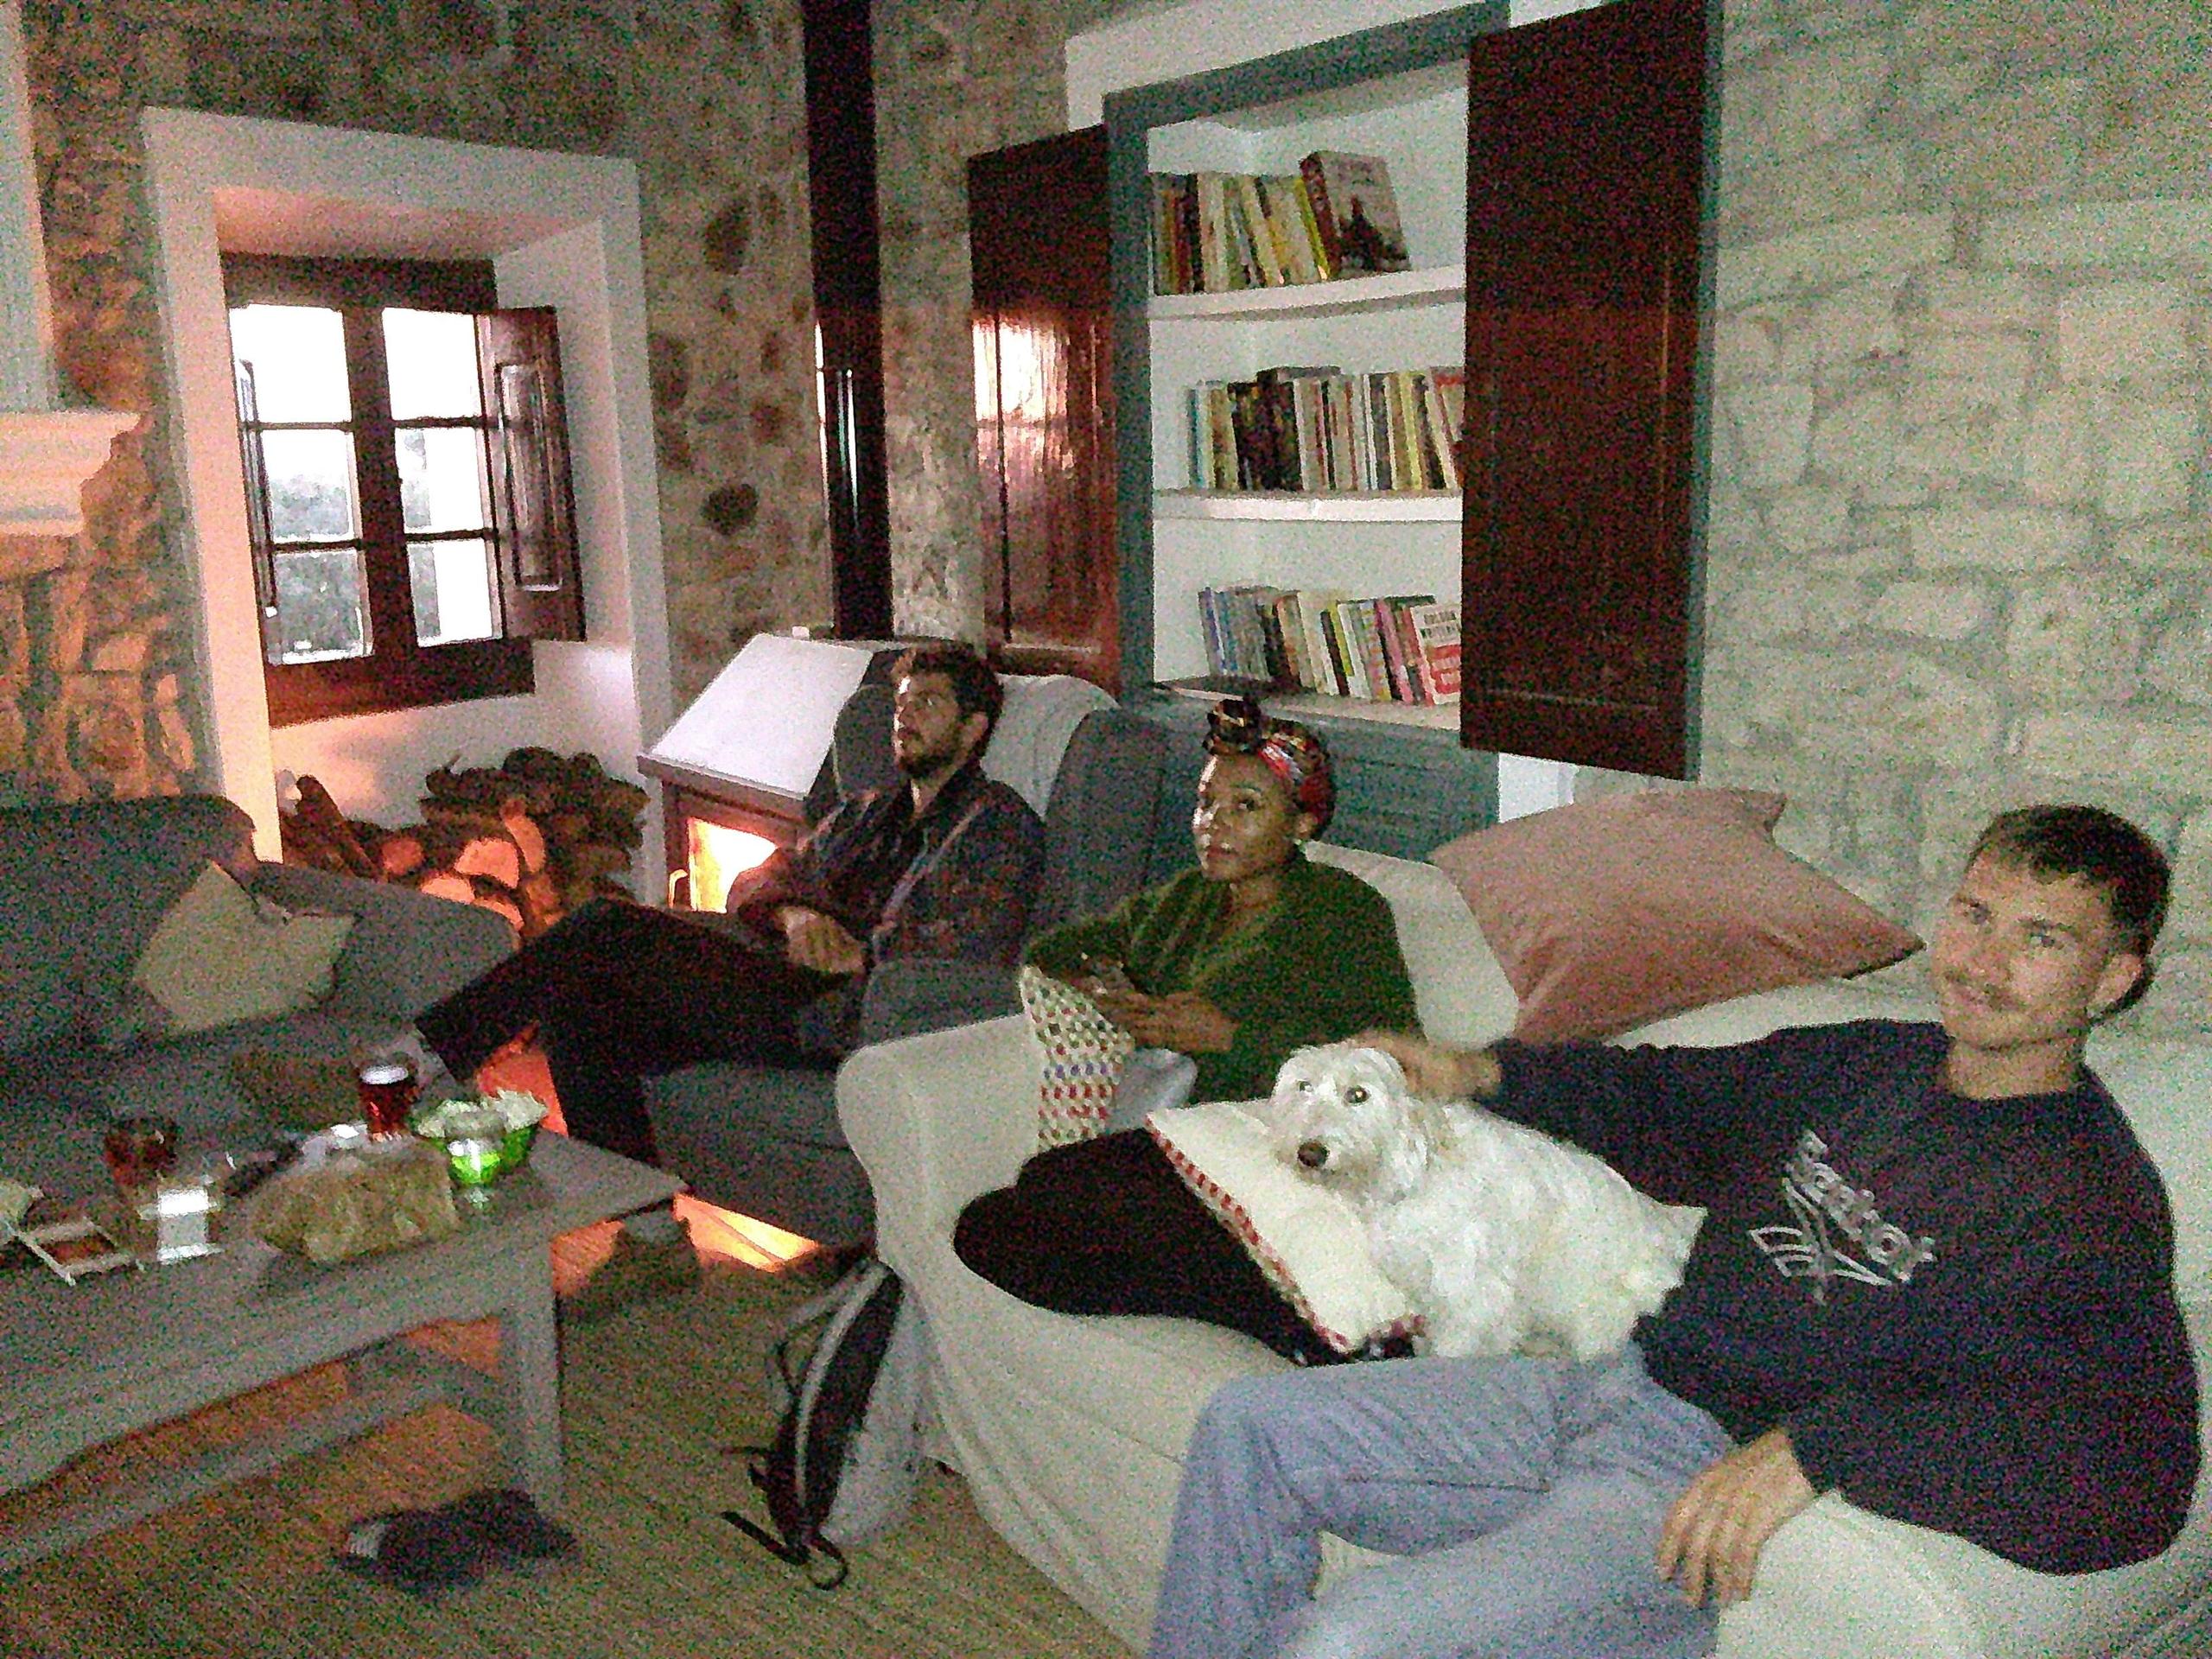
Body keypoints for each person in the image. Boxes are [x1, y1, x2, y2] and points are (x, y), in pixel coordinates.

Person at [1147, 803, 2199, 1659]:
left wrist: (1820, 1446)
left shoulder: (2084, 1202)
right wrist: (1477, 1072)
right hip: (1605, 1383)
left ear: (2114, 980)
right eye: (1974, 914)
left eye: (2041, 939)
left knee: (1347, 1642)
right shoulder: (1863, 1062)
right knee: (1250, 1425)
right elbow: (1657, 1098)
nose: (1982, 960)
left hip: (1682, 1481)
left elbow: (2128, 1483)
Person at [395, 641, 1046, 1309]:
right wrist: (793, 917)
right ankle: (653, 1241)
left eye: (929, 704)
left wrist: (865, 952)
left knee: (605, 925)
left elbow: (976, 943)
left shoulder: (998, 826)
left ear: (974, 729)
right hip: (773, 986)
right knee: (578, 1001)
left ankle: (429, 1054)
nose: (906, 718)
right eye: (903, 704)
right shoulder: (866, 813)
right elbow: (761, 876)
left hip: (856, 1017)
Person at [954, 697, 1420, 1364]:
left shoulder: (1343, 911)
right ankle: (1250, 1299)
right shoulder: (1183, 900)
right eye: (1206, 804)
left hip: (1270, 1143)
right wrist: (1113, 992)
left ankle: (1299, 1317)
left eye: (1245, 807)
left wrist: (1232, 1037)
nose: (1213, 826)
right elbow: (1054, 950)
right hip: (1179, 1140)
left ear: (1303, 823)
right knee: (995, 1223)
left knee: (1046, 1195)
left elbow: (1396, 1064)